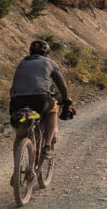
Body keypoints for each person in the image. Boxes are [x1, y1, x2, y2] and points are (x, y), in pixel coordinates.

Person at [8, 39, 73, 174]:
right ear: (47, 53)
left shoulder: (23, 62)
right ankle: (48, 146)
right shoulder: (49, 63)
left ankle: (16, 170)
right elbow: (62, 85)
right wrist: (66, 99)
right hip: (39, 99)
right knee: (53, 109)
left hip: (17, 101)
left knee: (20, 135)